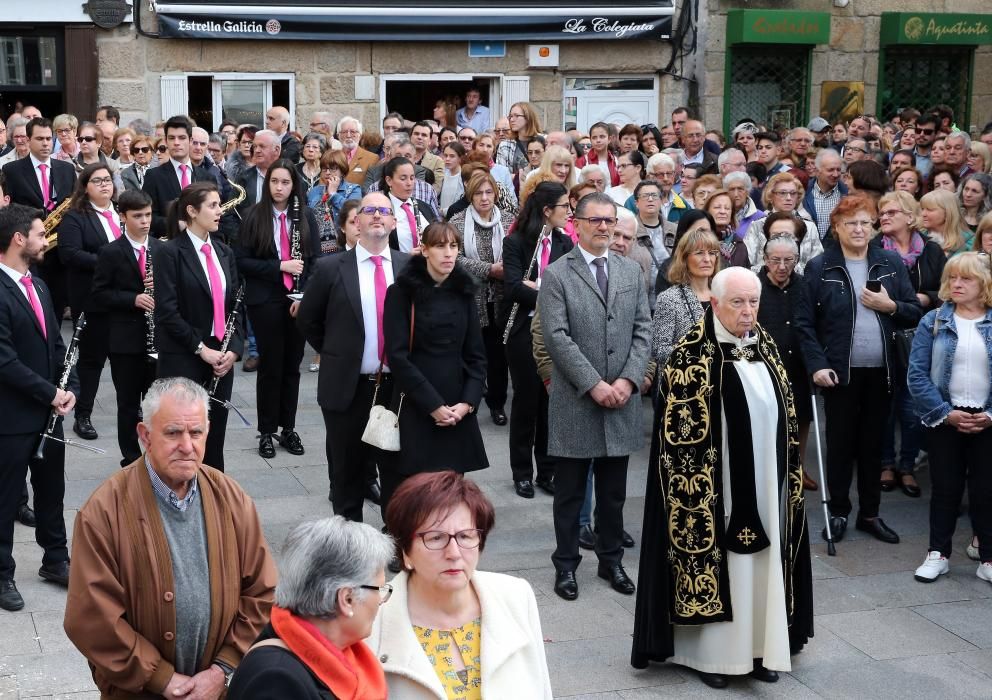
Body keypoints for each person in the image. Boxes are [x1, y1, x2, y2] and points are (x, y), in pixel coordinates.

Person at [631, 267, 814, 687]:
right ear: (713, 304)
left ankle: (762, 647)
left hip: (768, 487)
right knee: (721, 567)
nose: (748, 312)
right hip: (713, 491)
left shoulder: (765, 346)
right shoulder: (689, 355)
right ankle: (712, 658)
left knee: (764, 563)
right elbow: (675, 439)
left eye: (753, 302)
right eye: (737, 302)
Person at [64, 377, 277, 696]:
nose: (187, 446)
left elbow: (261, 590)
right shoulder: (104, 511)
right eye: (173, 433)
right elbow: (91, 618)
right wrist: (161, 678)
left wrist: (222, 669)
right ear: (145, 436)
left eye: (196, 433)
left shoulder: (231, 497)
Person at [540, 192, 650, 601]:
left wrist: (628, 380)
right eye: (596, 220)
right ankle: (566, 564)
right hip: (576, 400)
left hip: (621, 400)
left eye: (610, 220)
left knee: (613, 493)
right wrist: (594, 384)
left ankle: (611, 559)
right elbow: (557, 337)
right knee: (569, 492)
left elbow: (643, 329)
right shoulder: (557, 274)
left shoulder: (629, 271)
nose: (604, 227)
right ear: (578, 224)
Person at [795, 194, 923, 545]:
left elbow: (914, 310)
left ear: (874, 227)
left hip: (882, 371)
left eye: (866, 222)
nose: (859, 228)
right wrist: (817, 366)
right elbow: (805, 324)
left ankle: (870, 513)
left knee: (872, 445)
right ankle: (838, 511)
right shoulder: (820, 267)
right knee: (840, 446)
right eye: (851, 222)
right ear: (836, 227)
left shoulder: (890, 262)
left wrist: (890, 305)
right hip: (840, 374)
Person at [367, 471, 552, 697]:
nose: (454, 553)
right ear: (405, 552)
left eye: (465, 536)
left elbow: (542, 689)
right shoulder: (372, 621)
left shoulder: (516, 596)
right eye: (435, 538)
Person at [297, 192, 410, 517]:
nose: (377, 216)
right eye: (369, 210)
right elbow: (308, 319)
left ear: (393, 221)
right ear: (356, 221)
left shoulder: (407, 267)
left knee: (397, 476)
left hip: (396, 391)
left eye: (383, 211)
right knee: (347, 478)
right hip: (347, 388)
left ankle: (396, 546)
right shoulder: (331, 267)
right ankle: (350, 553)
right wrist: (337, 353)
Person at [0, 205, 75, 612]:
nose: (45, 239)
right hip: (10, 417)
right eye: (39, 233)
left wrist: (71, 388)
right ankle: (1, 573)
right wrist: (50, 392)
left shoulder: (39, 285)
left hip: (48, 412)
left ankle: (56, 559)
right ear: (17, 240)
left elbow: (57, 346)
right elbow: (4, 361)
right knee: (6, 496)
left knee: (52, 491)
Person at [381, 221, 488, 505]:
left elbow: (476, 356)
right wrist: (433, 406)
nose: (448, 254)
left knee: (451, 498)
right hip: (416, 406)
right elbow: (398, 356)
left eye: (453, 246)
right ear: (424, 250)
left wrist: (467, 403)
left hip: (457, 409)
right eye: (440, 246)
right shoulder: (402, 293)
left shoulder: (464, 293)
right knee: (414, 498)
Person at [227, 516, 393, 699]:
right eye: (379, 589)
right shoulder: (277, 683)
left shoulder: (340, 649)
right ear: (346, 599)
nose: (381, 600)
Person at [907, 253, 992, 585]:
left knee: (986, 491)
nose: (956, 284)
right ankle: (938, 554)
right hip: (946, 417)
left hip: (986, 419)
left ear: (983, 284)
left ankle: (987, 557)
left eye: (966, 279)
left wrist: (988, 415)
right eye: (953, 278)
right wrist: (945, 414)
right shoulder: (934, 321)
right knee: (945, 488)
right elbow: (917, 376)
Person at [154, 182, 243, 471]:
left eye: (220, 205)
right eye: (213, 206)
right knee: (183, 438)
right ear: (192, 211)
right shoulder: (169, 252)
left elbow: (236, 306)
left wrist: (234, 350)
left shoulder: (224, 251)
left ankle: (213, 494)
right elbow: (167, 312)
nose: (220, 212)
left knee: (215, 437)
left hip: (221, 356)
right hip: (185, 357)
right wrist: (201, 348)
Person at [236, 160, 321, 459]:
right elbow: (242, 262)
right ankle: (266, 431)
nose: (280, 188)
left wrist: (306, 294)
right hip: (266, 300)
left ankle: (288, 427)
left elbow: (315, 261)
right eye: (275, 182)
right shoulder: (253, 216)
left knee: (292, 366)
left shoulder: (305, 216)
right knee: (271, 367)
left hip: (298, 300)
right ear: (267, 184)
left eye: (285, 182)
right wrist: (279, 266)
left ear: (293, 185)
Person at [501, 182, 573, 499]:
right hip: (522, 333)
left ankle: (547, 470)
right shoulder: (516, 242)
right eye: (564, 207)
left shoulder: (565, 243)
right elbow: (514, 287)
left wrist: (540, 287)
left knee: (551, 404)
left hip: (555, 333)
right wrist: (548, 291)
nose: (569, 212)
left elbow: (571, 290)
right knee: (526, 402)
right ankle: (521, 472)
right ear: (547, 211)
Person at [874, 191, 946, 497]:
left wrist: (926, 297)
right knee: (886, 404)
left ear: (909, 216)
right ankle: (886, 463)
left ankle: (907, 466)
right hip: (884, 332)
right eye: (882, 212)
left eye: (891, 212)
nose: (885, 217)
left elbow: (943, 290)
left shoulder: (931, 250)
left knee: (912, 403)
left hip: (922, 335)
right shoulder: (875, 249)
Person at [89, 190, 159, 466]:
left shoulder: (162, 248)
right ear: (123, 216)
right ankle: (130, 459)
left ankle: (156, 457)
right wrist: (132, 299)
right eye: (138, 216)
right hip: (125, 341)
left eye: (148, 215)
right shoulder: (110, 252)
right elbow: (99, 294)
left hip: (158, 341)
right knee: (128, 404)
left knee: (156, 406)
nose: (145, 221)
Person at [58, 164, 124, 441]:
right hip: (93, 300)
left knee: (126, 360)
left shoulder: (121, 212)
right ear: (85, 187)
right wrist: (112, 263)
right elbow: (69, 254)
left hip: (126, 300)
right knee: (91, 361)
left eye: (107, 180)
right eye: (97, 181)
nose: (104, 185)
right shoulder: (75, 217)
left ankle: (133, 411)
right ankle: (83, 415)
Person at [451, 170, 514, 427]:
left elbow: (516, 254)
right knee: (472, 355)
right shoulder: (457, 221)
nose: (484, 198)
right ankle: (469, 403)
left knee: (498, 357)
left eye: (489, 192)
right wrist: (488, 269)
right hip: (470, 298)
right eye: (478, 193)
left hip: (500, 299)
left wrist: (504, 268)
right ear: (470, 196)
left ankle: (497, 404)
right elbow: (454, 257)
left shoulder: (509, 221)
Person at [757, 235, 817, 490]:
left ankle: (797, 468)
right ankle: (767, 471)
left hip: (798, 364)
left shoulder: (805, 286)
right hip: (764, 366)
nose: (782, 266)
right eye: (776, 260)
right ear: (765, 259)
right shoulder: (754, 286)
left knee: (801, 417)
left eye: (788, 260)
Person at [651, 226, 720, 366]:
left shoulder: (723, 296)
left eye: (712, 253)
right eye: (700, 253)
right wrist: (700, 354)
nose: (707, 259)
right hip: (684, 381)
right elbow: (659, 350)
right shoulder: (669, 299)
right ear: (685, 258)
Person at [143, 115, 212, 237]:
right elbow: (147, 216)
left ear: (190, 141)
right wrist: (176, 224)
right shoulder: (153, 176)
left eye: (181, 138)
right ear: (166, 141)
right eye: (171, 138)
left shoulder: (206, 177)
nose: (176, 143)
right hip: (169, 246)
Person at [744, 173, 823, 272]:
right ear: (770, 196)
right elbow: (748, 262)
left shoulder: (809, 226)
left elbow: (817, 263)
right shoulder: (757, 225)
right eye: (782, 193)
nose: (789, 198)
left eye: (793, 193)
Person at [381, 157, 438, 253]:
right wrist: (406, 258)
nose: (409, 183)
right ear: (389, 180)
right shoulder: (380, 209)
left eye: (412, 178)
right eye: (403, 178)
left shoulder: (423, 206)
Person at [802, 148, 847, 237]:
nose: (836, 174)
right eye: (830, 170)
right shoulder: (803, 193)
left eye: (838, 170)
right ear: (817, 171)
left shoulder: (847, 194)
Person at [920, 188, 974, 257]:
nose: (923, 214)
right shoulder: (917, 238)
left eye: (930, 210)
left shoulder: (969, 241)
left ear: (948, 213)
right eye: (922, 209)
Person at [497, 102, 542, 175]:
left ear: (528, 118)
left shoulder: (544, 140)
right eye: (510, 116)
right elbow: (502, 176)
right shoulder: (505, 145)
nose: (511, 119)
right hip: (515, 186)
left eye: (516, 116)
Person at [576, 122, 619, 186]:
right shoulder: (582, 161)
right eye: (594, 137)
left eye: (602, 137)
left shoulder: (616, 161)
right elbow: (578, 185)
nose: (598, 140)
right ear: (590, 140)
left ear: (609, 139)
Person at [439, 141, 466, 215]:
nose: (447, 159)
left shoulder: (464, 176)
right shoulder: (442, 174)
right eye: (445, 155)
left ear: (460, 158)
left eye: (452, 156)